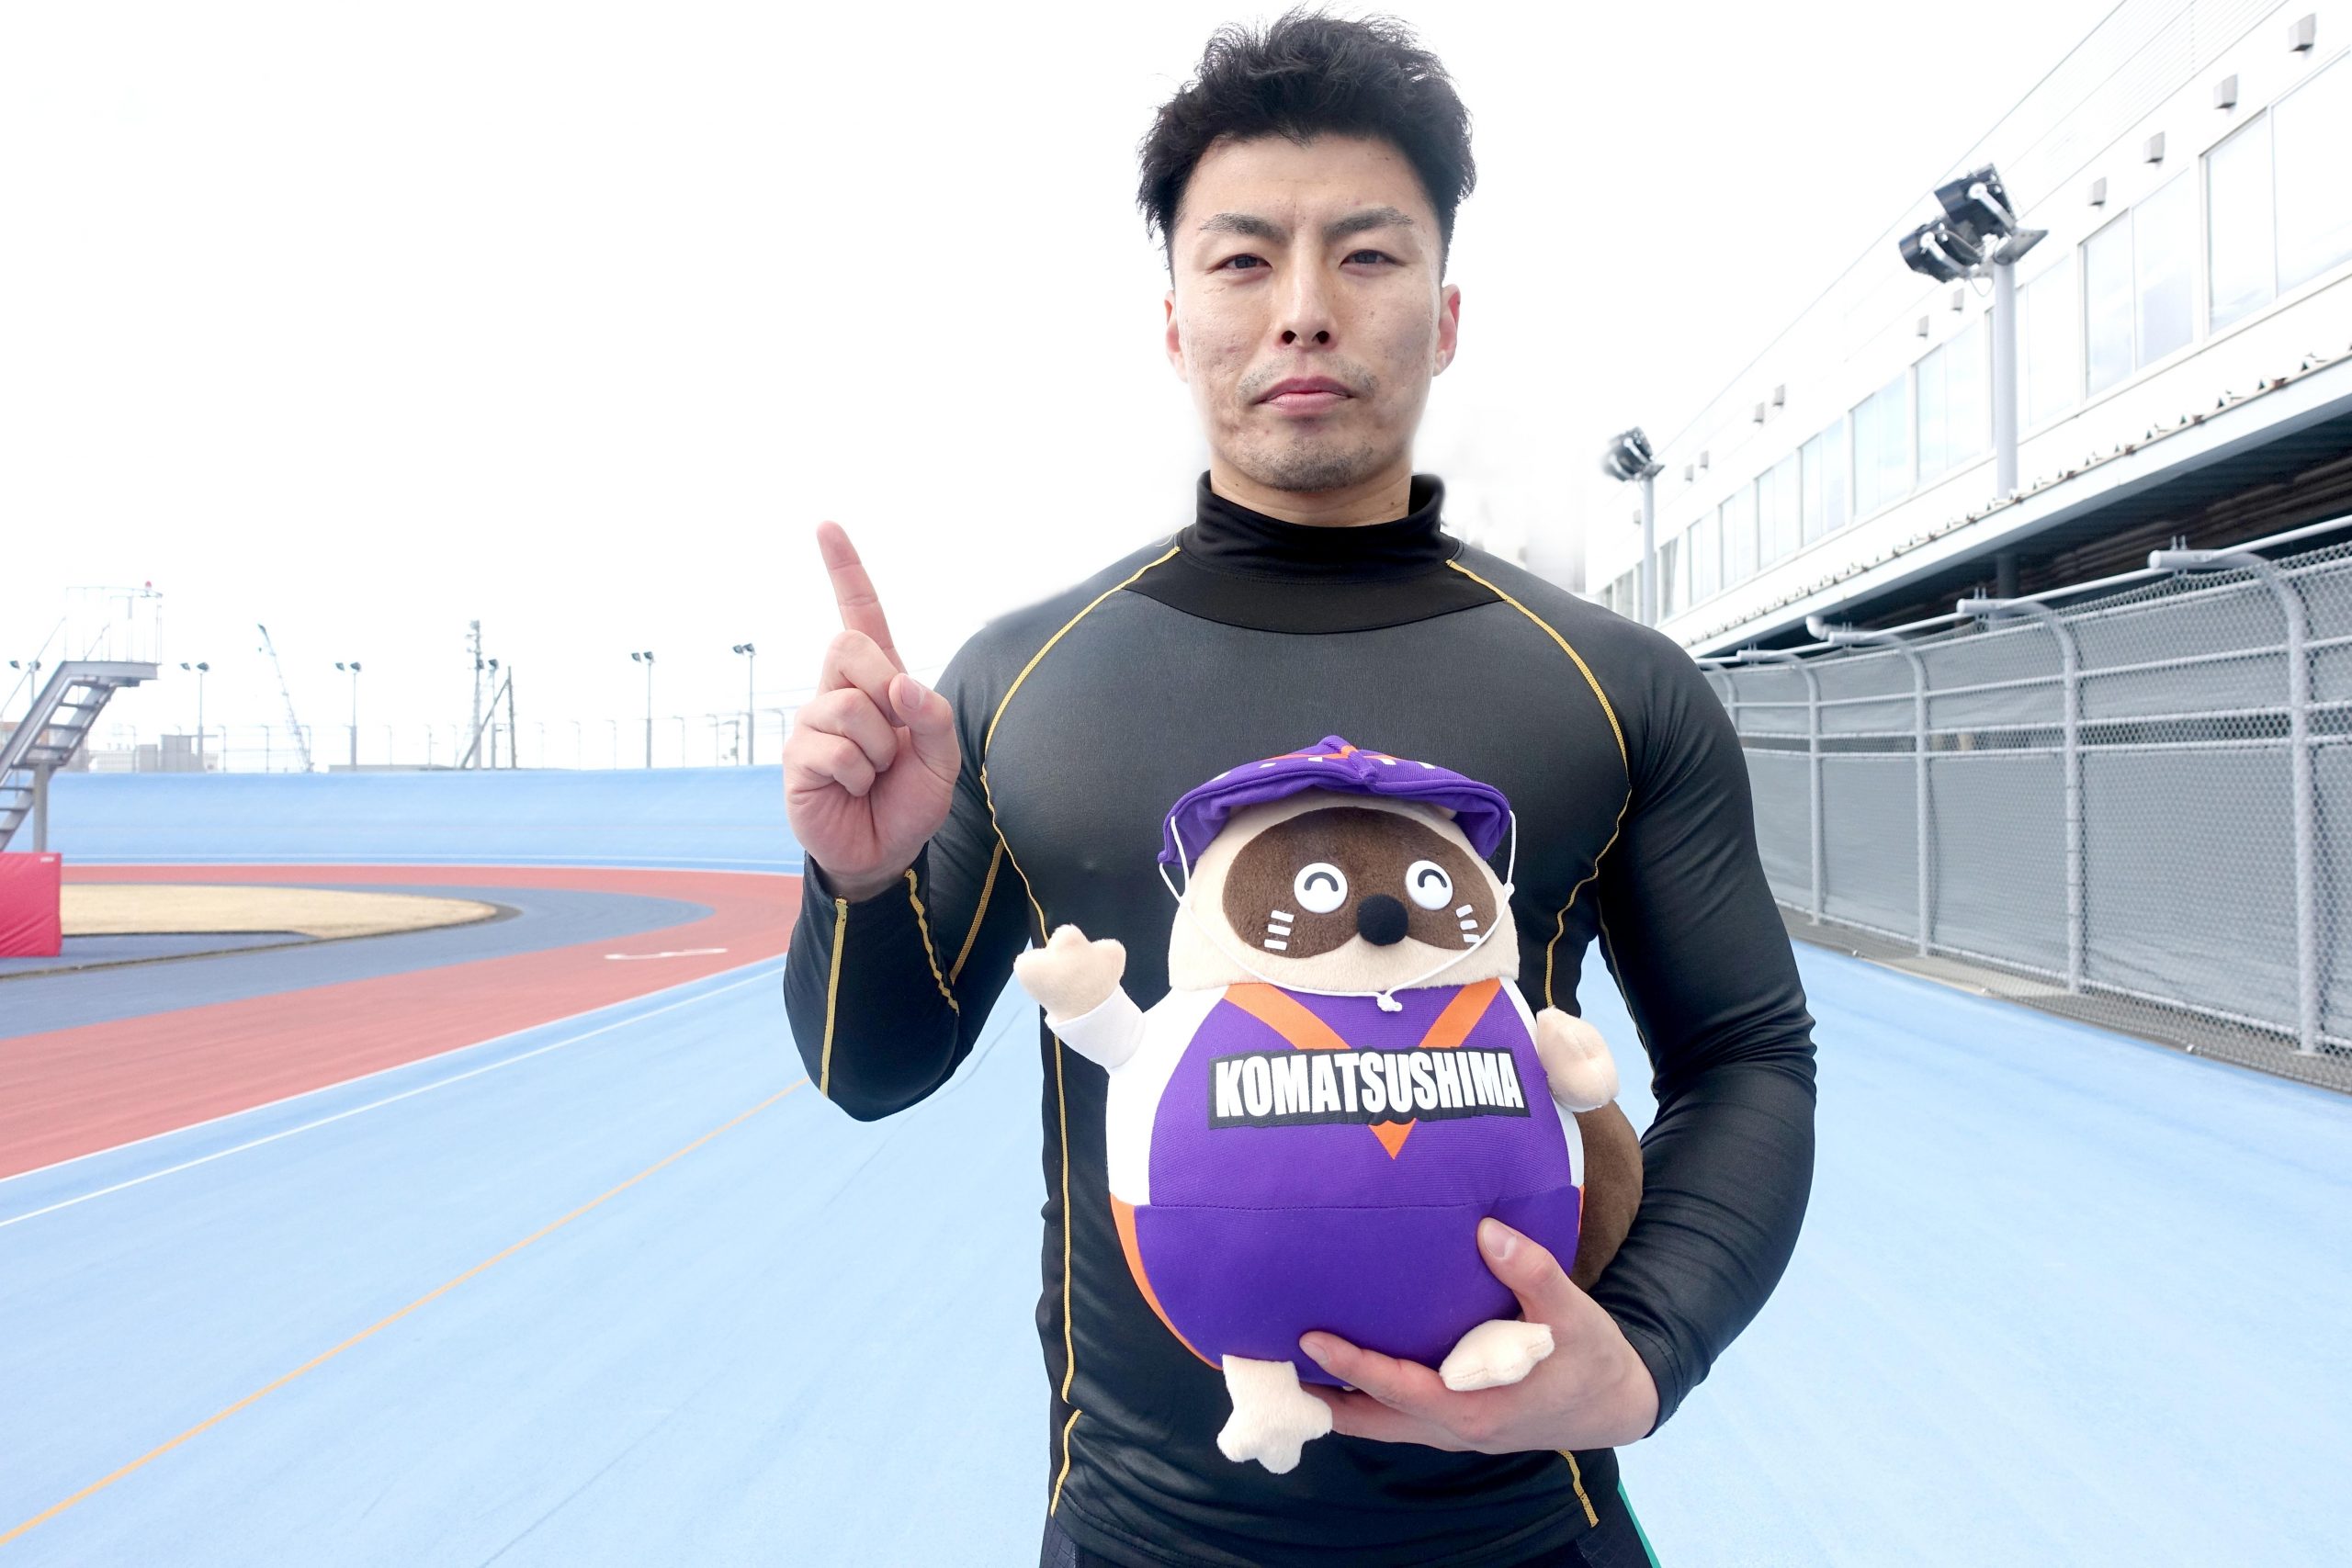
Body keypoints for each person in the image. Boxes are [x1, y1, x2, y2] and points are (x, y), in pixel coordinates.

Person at [781, 13, 1816, 1566]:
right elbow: (872, 1071)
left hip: (1529, 1537)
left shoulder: (1613, 684)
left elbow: (1747, 1057)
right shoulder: (1021, 682)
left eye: (1368, 255)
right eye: (1245, 259)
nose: (1306, 310)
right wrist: (860, 877)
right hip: (1143, 1535)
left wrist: (1651, 1344)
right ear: (1175, 318)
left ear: (1447, 314)